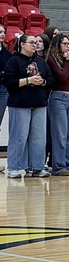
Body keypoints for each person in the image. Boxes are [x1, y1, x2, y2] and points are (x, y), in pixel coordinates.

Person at [4, 34, 52, 178]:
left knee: (39, 137)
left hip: (39, 104)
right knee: (19, 137)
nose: (35, 45)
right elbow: (9, 81)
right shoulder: (14, 61)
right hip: (20, 104)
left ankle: (36, 167)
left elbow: (50, 80)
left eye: (36, 42)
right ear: (22, 45)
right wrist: (28, 80)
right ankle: (14, 167)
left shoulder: (41, 62)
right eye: (31, 42)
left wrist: (42, 82)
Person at [46, 33, 69, 176]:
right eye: (65, 44)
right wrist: (67, 62)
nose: (68, 46)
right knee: (60, 134)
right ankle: (58, 166)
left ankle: (68, 164)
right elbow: (62, 76)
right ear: (58, 45)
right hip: (58, 98)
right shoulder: (51, 59)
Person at [0, 24, 11, 171]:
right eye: (0, 32)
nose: (2, 34)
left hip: (3, 90)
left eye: (3, 32)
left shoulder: (7, 54)